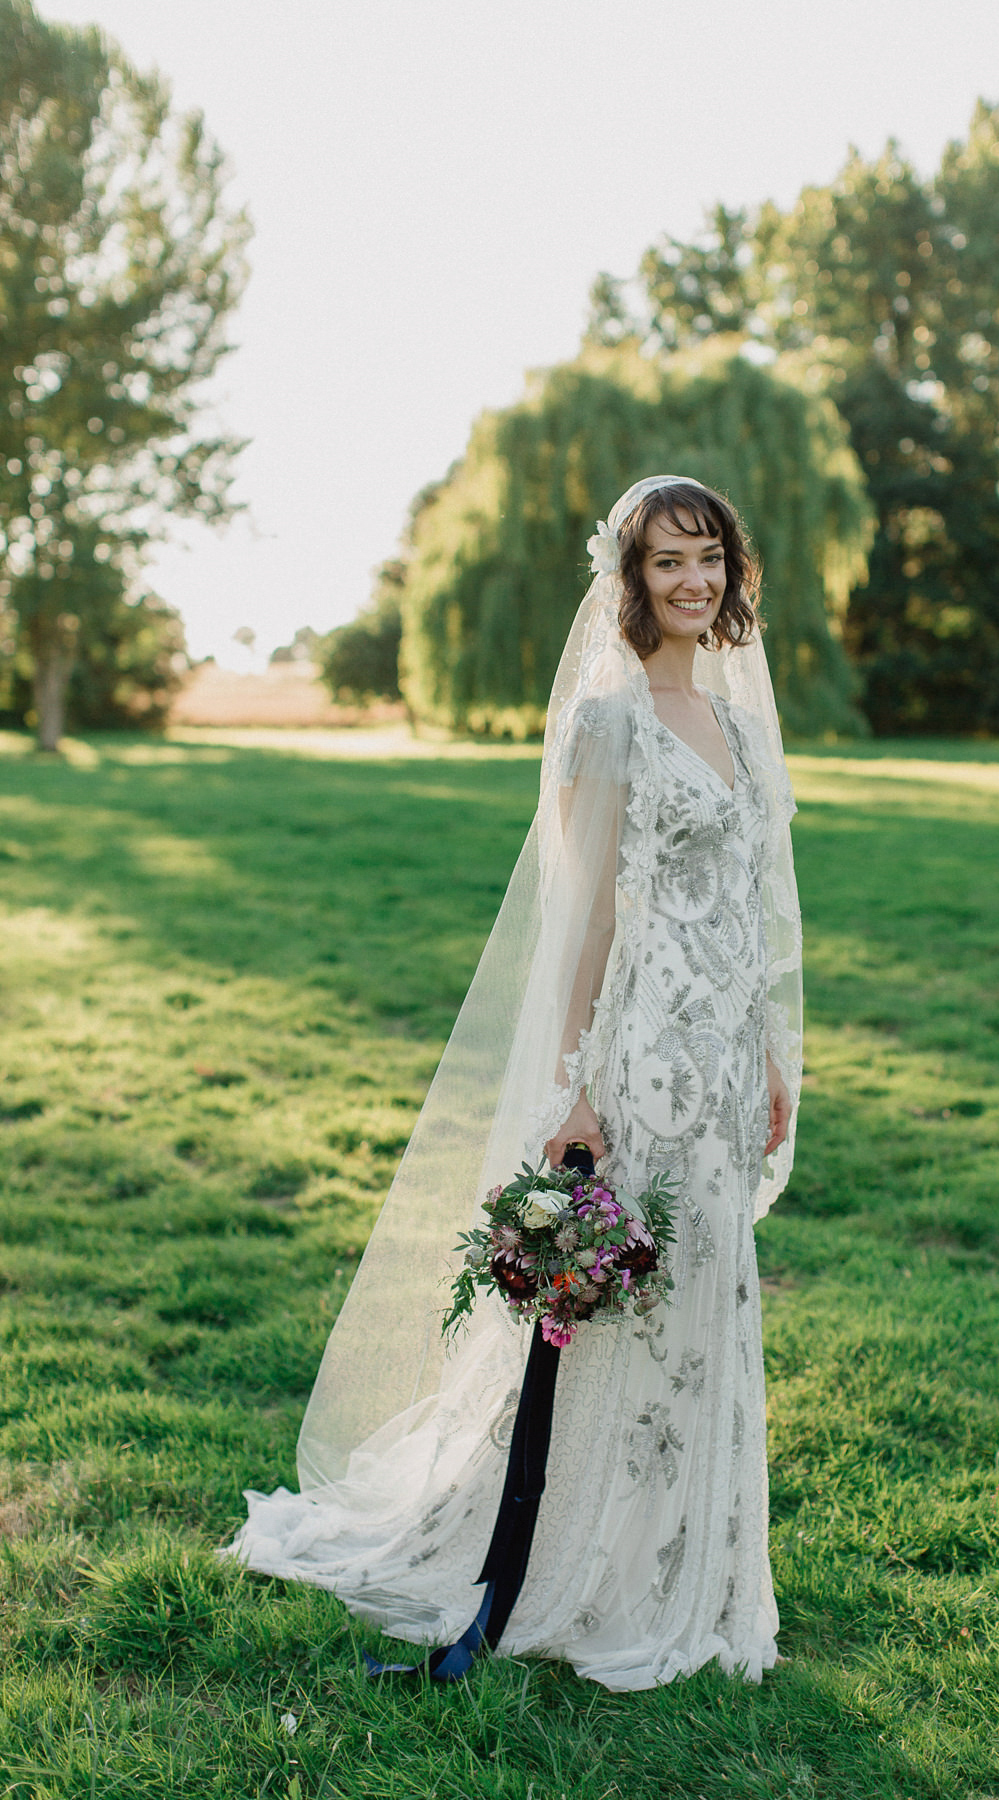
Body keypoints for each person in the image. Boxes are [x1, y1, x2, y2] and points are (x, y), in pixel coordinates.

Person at [224, 475, 803, 1693]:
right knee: (626, 1305)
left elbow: (747, 912)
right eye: (666, 564)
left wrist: (766, 1058)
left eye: (709, 560)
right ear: (630, 584)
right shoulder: (613, 723)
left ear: (732, 574)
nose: (693, 582)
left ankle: (682, 1555)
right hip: (638, 1057)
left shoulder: (742, 726)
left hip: (718, 1061)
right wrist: (575, 1087)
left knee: (705, 1293)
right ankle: (576, 1559)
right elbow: (584, 916)